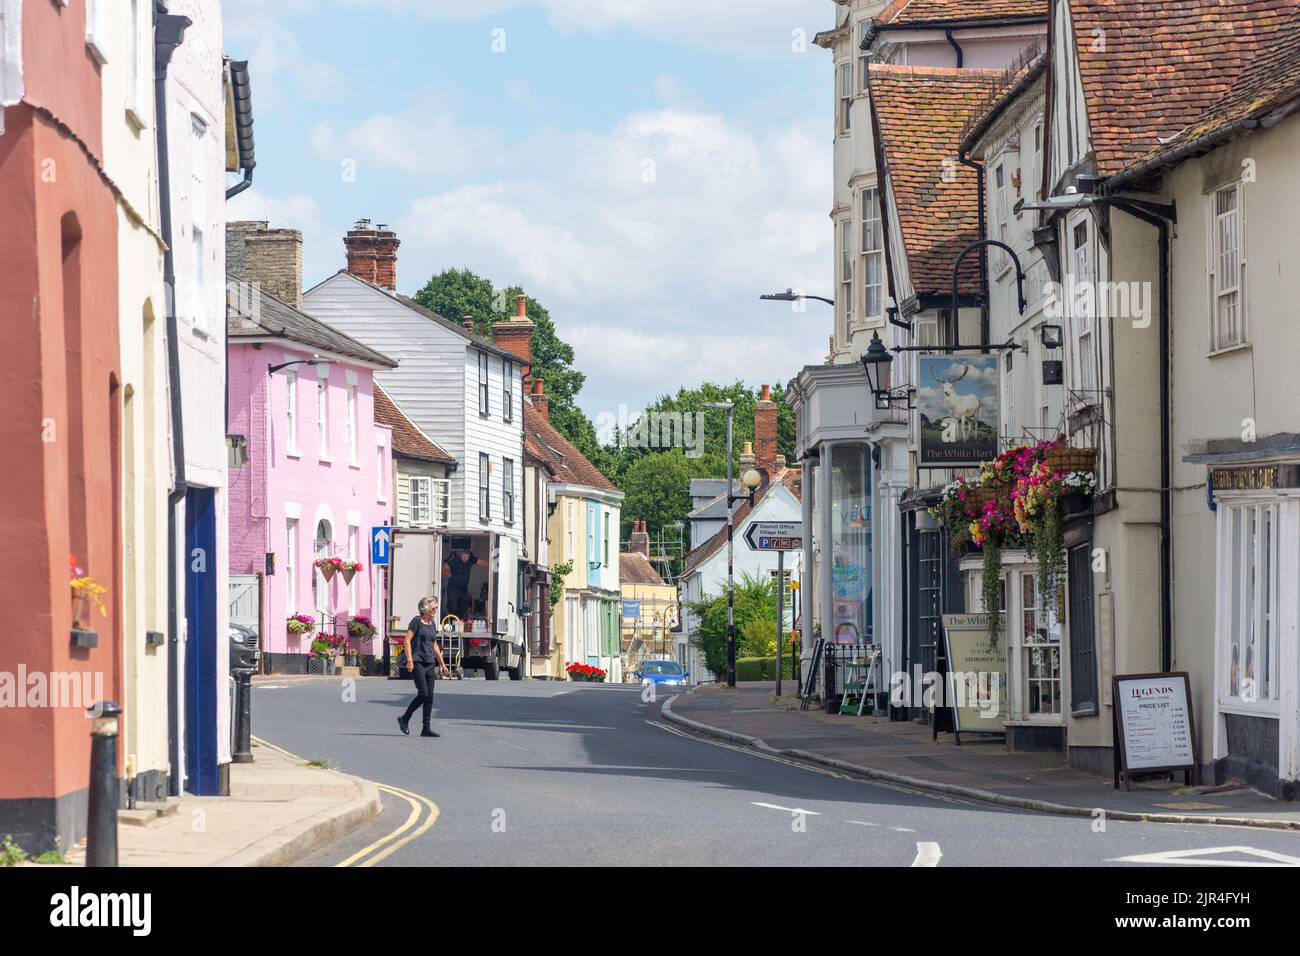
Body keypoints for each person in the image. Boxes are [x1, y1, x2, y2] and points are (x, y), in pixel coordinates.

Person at [398, 596, 451, 738]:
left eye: (436, 608)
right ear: (424, 609)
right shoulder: (416, 621)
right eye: (433, 608)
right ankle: (404, 718)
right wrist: (409, 659)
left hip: (430, 663)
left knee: (430, 697)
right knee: (423, 694)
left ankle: (426, 728)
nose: (435, 610)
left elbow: (434, 644)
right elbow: (407, 640)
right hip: (418, 662)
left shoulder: (432, 623)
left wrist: (442, 664)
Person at [442, 546, 486, 620]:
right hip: (453, 588)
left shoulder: (471, 560)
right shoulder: (455, 561)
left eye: (467, 557)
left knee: (463, 607)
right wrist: (449, 574)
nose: (465, 559)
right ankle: (452, 622)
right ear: (461, 555)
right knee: (452, 606)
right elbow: (444, 567)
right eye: (464, 557)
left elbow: (482, 562)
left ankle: (460, 622)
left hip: (463, 589)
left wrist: (496, 564)